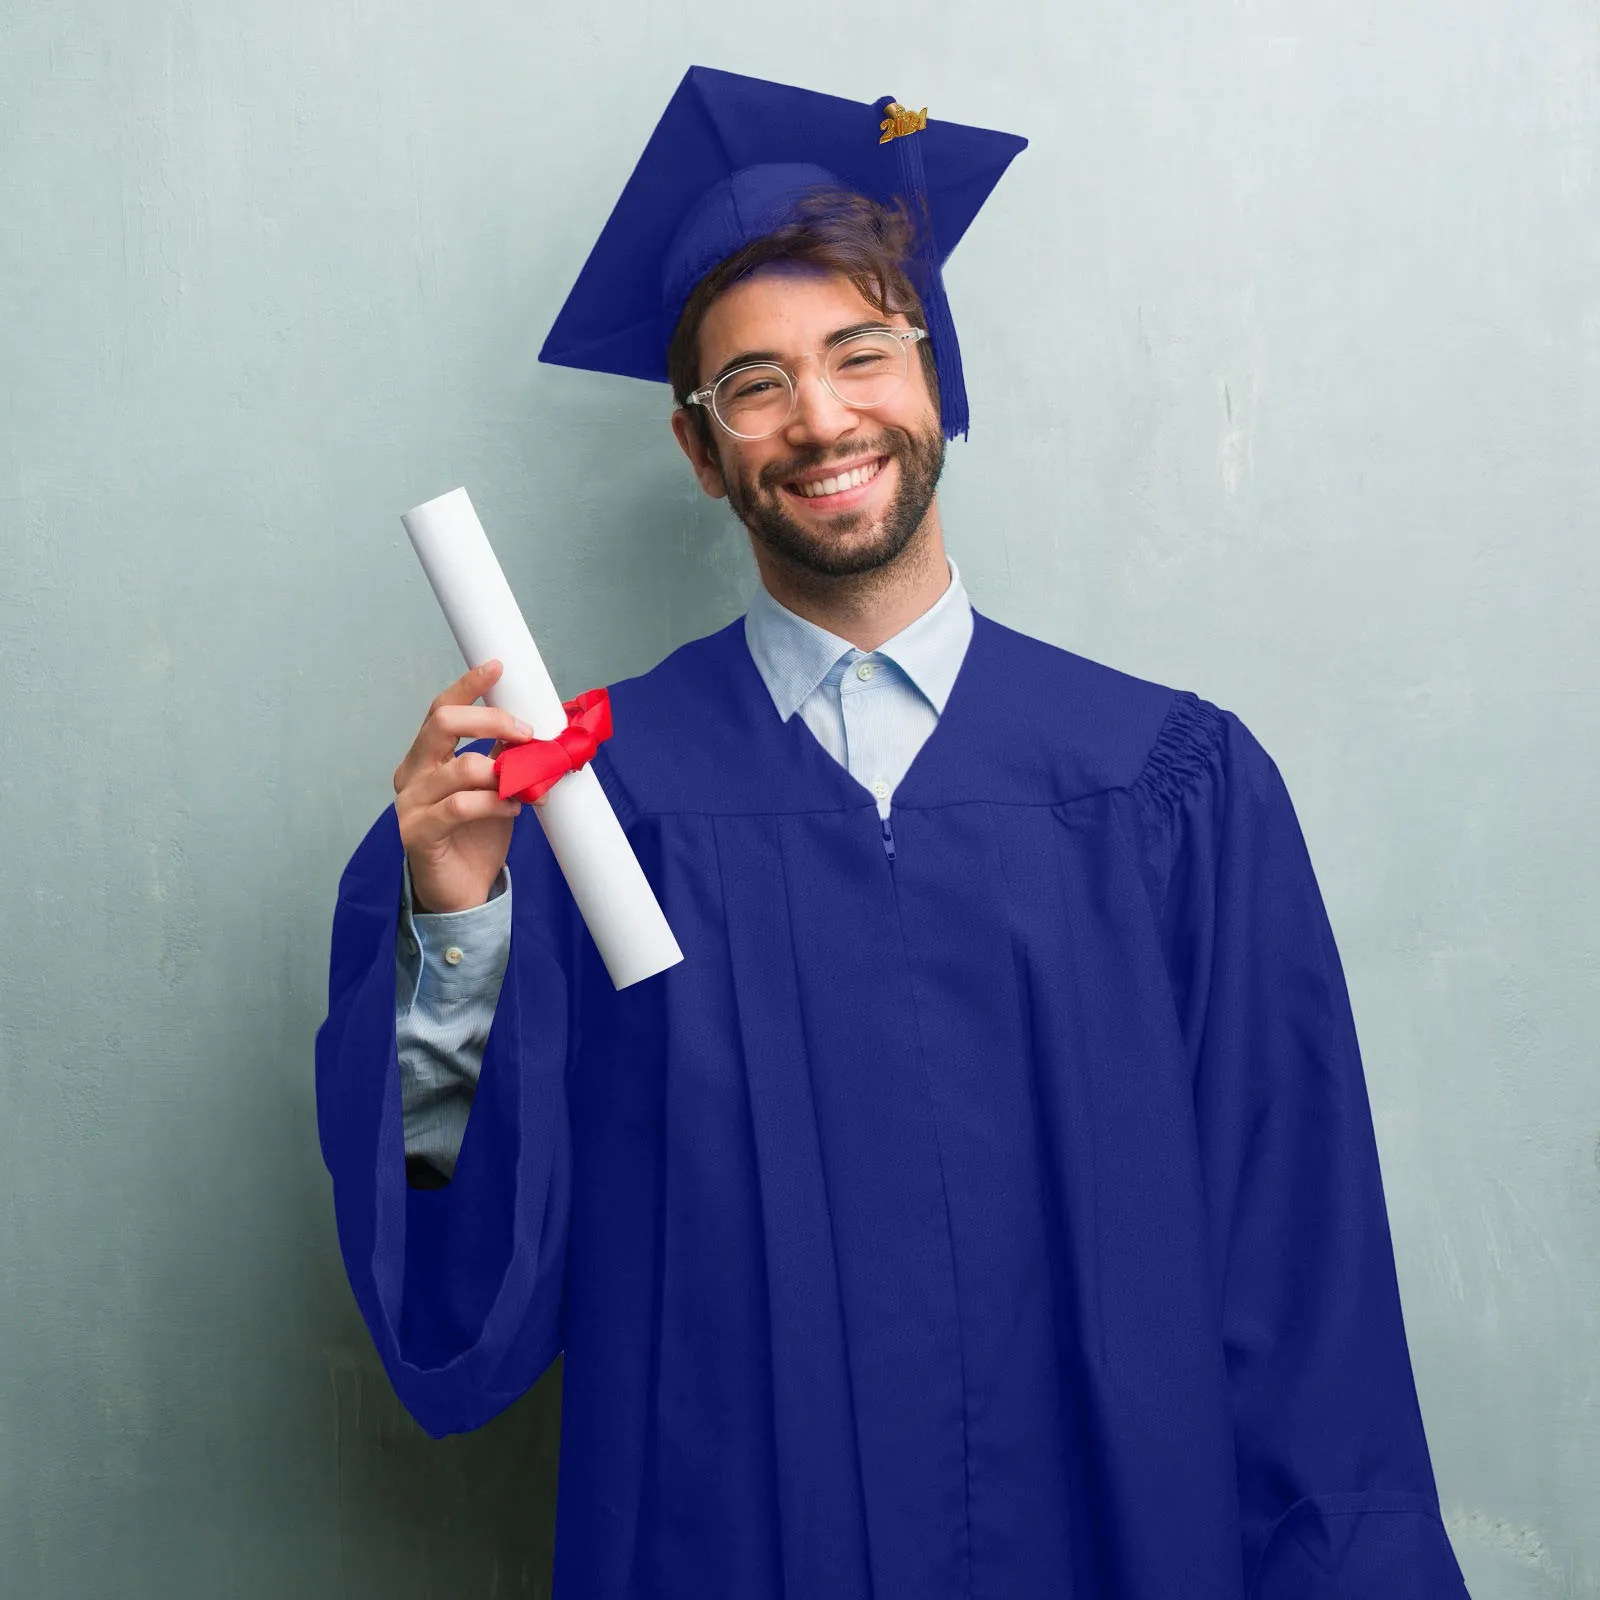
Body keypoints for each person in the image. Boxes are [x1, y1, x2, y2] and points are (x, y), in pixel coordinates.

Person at [316, 64, 1471, 1599]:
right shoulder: (590, 810)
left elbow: (1301, 1279)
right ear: (701, 447)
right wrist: (456, 932)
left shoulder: (1171, 792)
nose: (820, 416)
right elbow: (464, 1284)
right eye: (755, 384)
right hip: (724, 1547)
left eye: (860, 350)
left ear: (935, 380)